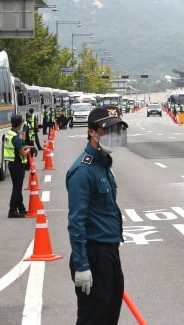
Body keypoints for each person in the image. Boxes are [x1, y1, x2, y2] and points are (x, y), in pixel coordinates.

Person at [66, 105, 128, 325]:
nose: (112, 136)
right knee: (93, 319)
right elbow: (76, 222)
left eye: (116, 130)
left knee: (110, 316)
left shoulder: (104, 165)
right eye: (106, 130)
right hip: (94, 254)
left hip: (110, 251)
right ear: (92, 132)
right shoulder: (82, 171)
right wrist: (82, 265)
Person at [4, 114, 31, 218]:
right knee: (17, 188)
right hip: (18, 164)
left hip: (11, 163)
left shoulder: (9, 134)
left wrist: (24, 147)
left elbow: (16, 148)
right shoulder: (16, 137)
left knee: (17, 187)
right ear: (20, 123)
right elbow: (23, 154)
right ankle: (12, 211)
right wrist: (29, 150)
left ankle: (21, 208)